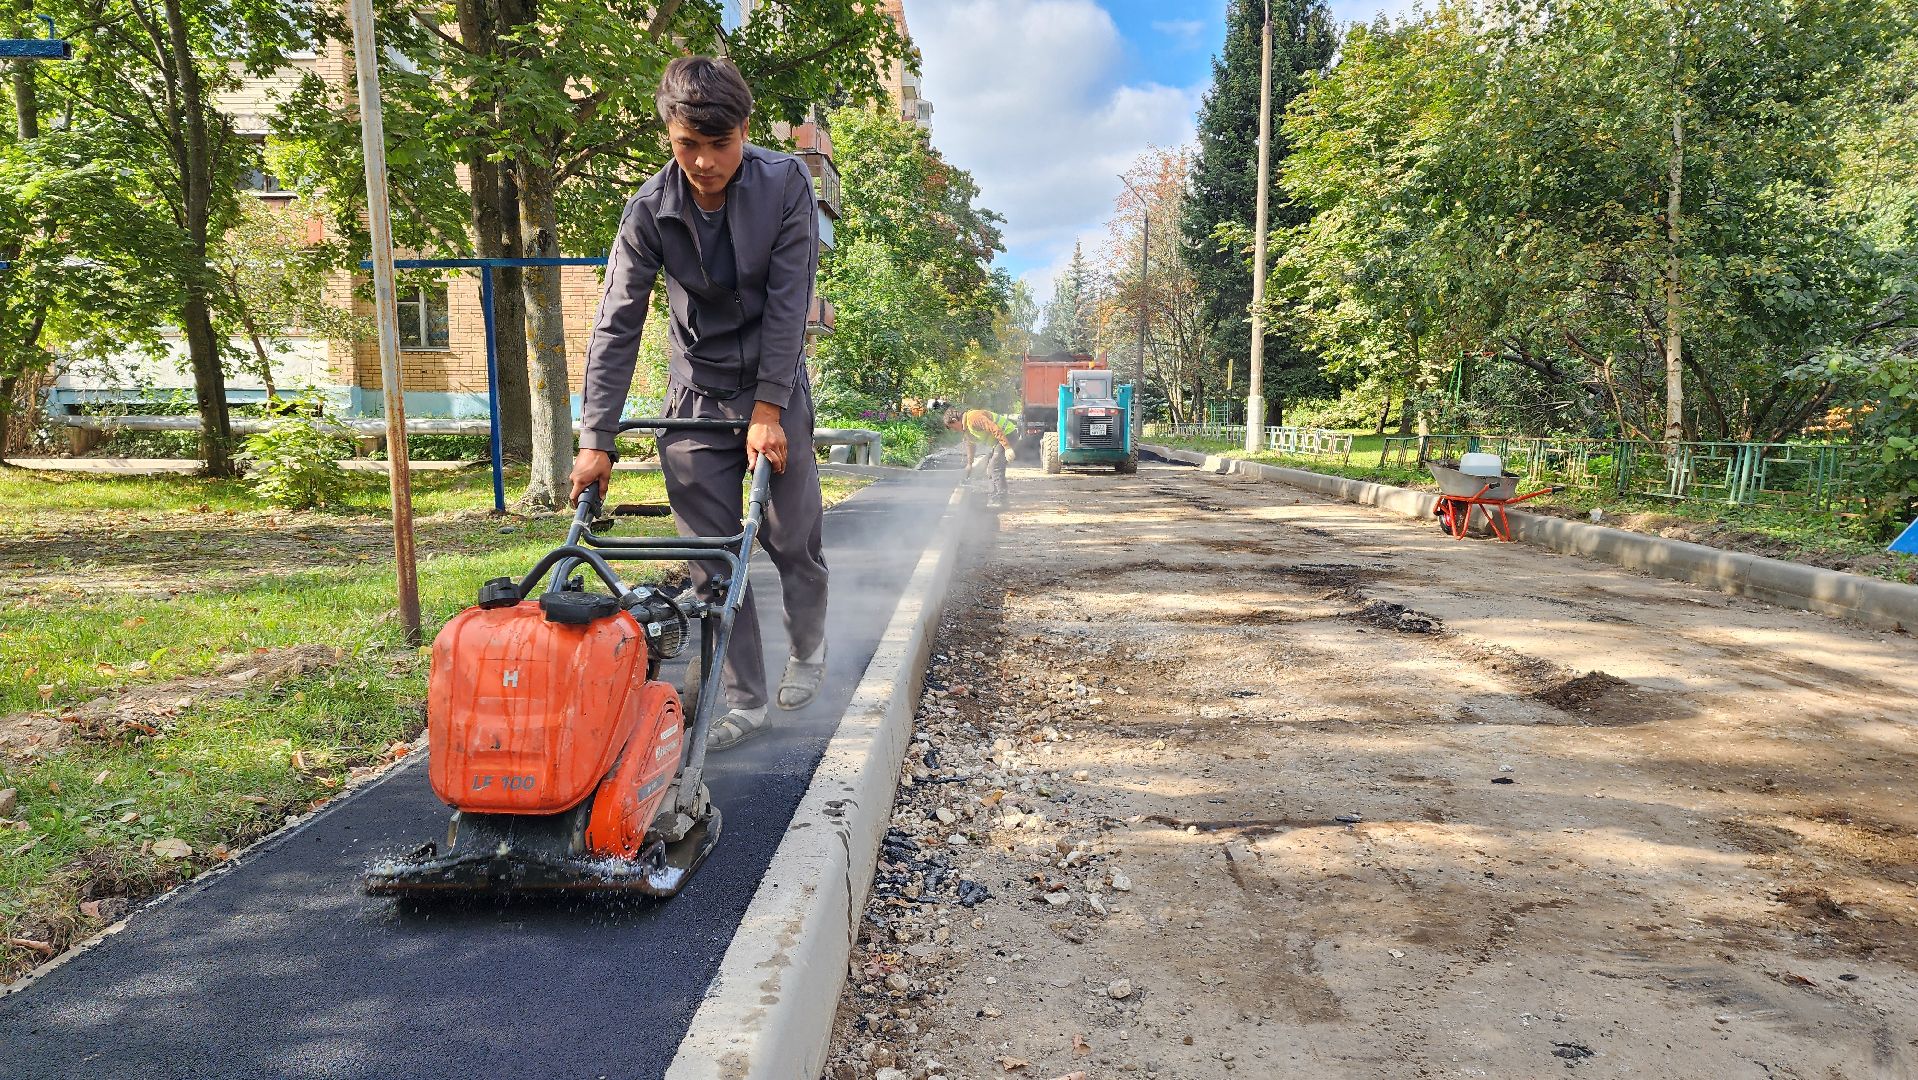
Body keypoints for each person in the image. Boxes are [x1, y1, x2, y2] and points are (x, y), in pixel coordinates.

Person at [569, 56, 827, 752]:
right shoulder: (649, 210)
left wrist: (770, 409)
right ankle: (743, 699)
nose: (706, 162)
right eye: (689, 145)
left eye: (720, 144)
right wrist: (596, 437)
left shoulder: (785, 185)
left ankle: (809, 646)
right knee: (714, 558)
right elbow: (617, 320)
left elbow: (788, 304)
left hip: (773, 385)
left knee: (790, 539)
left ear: (744, 130)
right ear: (669, 136)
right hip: (695, 394)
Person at [943, 405, 1016, 506]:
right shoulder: (966, 429)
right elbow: (970, 444)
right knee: (990, 467)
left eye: (953, 427)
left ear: (955, 420)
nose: (955, 431)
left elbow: (994, 428)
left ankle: (1001, 500)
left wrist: (1007, 447)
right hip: (999, 440)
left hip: (1007, 433)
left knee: (995, 466)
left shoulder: (973, 418)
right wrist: (969, 464)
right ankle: (995, 497)